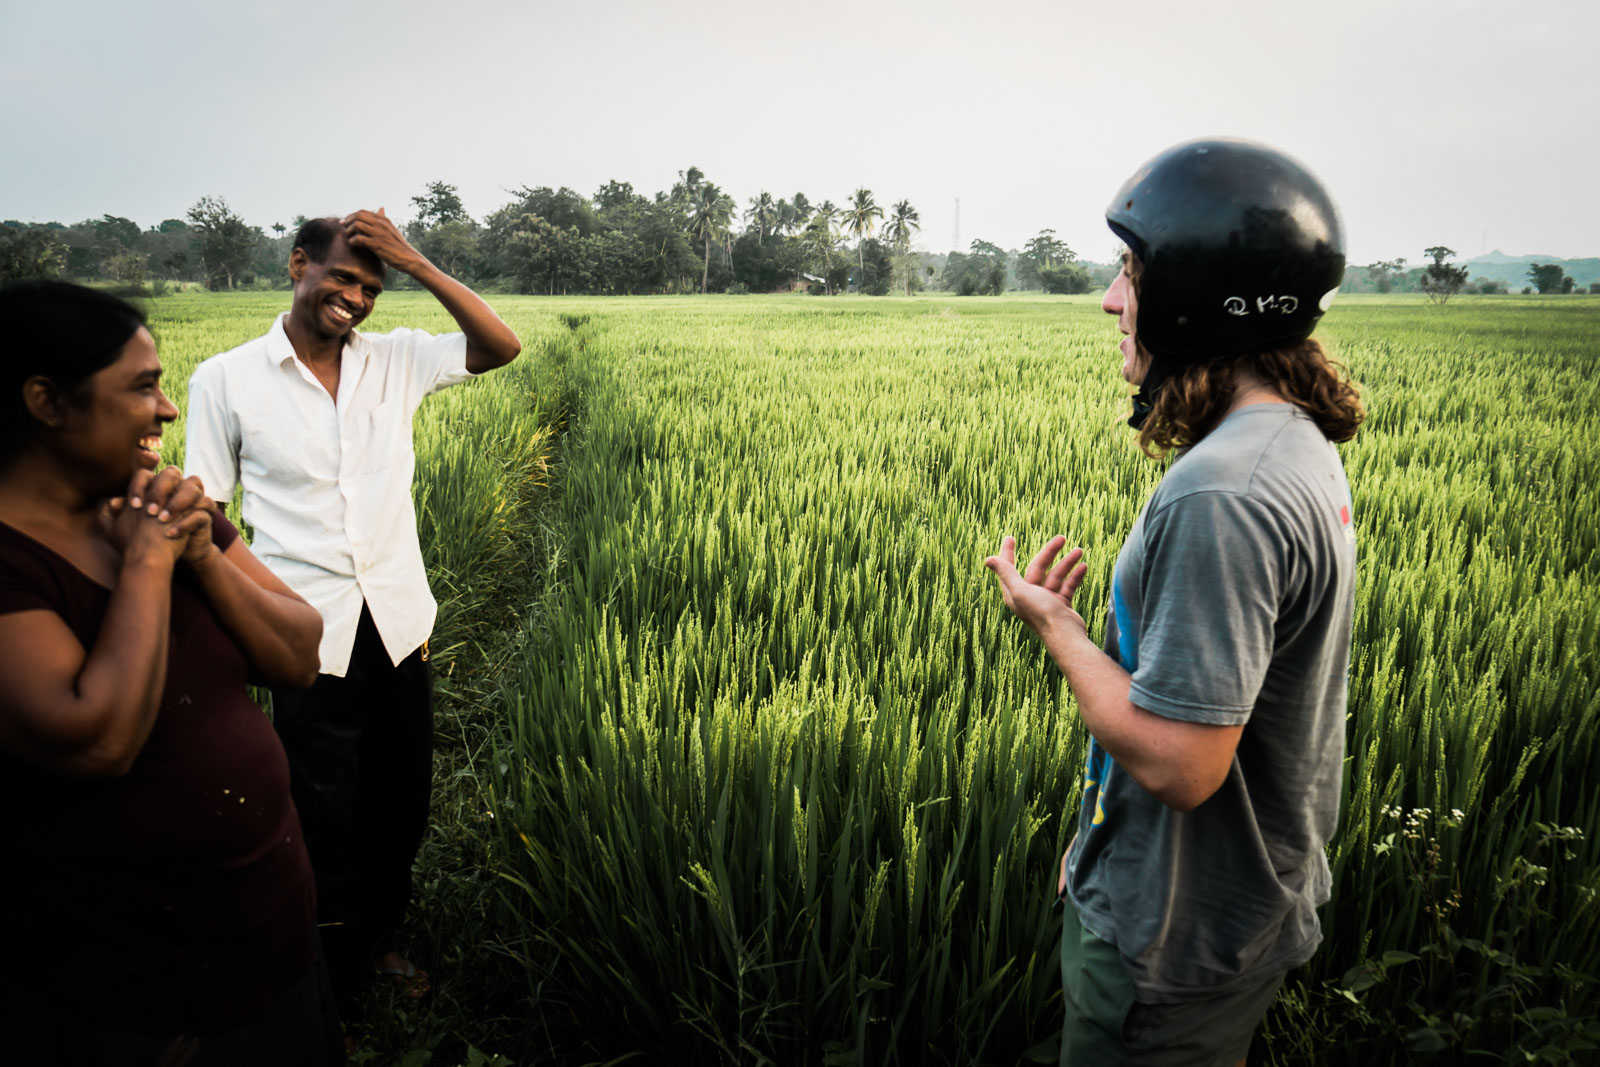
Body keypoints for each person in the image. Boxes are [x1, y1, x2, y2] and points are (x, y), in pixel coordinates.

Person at [983, 139, 1364, 1065]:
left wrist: (1060, 631)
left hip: (1169, 945)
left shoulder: (1222, 493)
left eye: (1130, 272)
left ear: (1193, 297)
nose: (1112, 300)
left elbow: (1182, 764)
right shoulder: (1290, 440)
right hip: (1222, 916)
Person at [184, 210, 522, 1016]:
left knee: (399, 794)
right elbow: (209, 512)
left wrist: (419, 262)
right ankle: (322, 958)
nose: (357, 298)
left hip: (399, 620)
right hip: (303, 630)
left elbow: (501, 346)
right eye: (342, 277)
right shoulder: (225, 379)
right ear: (298, 265)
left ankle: (381, 936)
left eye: (372, 286)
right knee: (317, 800)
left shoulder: (396, 360)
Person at [0, 281, 338, 1064]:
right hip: (135, 991)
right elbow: (99, 739)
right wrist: (151, 561)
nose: (167, 409)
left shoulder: (161, 503)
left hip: (272, 936)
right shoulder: (17, 562)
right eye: (142, 386)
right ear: (47, 401)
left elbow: (299, 653)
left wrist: (201, 558)